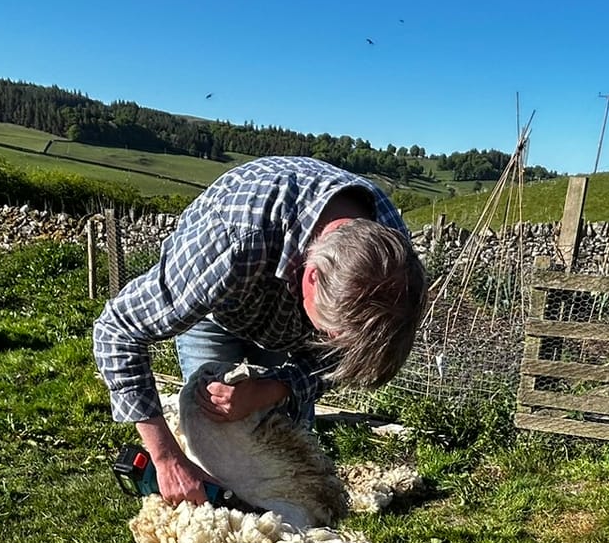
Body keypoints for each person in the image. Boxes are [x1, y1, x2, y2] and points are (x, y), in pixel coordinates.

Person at [92, 155, 427, 504]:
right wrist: (165, 458)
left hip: (288, 322)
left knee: (293, 469)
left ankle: (289, 536)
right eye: (331, 332)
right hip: (218, 313)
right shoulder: (231, 238)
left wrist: (275, 388)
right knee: (213, 442)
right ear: (312, 277)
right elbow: (117, 330)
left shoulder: (394, 261)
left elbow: (341, 355)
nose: (332, 343)